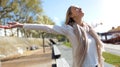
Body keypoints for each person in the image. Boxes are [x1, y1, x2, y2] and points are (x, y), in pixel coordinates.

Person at [7, 5, 104, 67]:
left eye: (79, 7)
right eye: (76, 9)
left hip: (96, 64)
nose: (80, 8)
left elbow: (96, 23)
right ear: (71, 15)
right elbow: (46, 27)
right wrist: (21, 25)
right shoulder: (68, 29)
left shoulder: (89, 27)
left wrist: (101, 22)